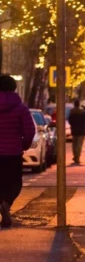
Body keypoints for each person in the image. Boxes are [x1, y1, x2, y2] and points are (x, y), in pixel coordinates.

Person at [0, 74, 35, 228]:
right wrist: (23, 145)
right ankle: (7, 203)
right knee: (15, 183)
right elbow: (29, 131)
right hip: (13, 153)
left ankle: (2, 202)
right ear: (14, 88)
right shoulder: (21, 109)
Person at [68, 99, 85, 165]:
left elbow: (70, 121)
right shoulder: (82, 112)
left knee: (74, 144)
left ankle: (75, 156)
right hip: (81, 130)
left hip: (74, 130)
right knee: (79, 145)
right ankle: (77, 157)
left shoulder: (72, 112)